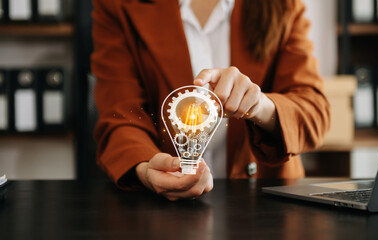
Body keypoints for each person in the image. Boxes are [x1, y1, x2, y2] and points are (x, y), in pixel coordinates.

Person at [91, 0, 330, 201]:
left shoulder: (284, 5)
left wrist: (259, 105)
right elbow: (120, 116)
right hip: (163, 213)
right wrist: (145, 167)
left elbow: (314, 111)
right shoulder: (117, 5)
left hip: (266, 207)